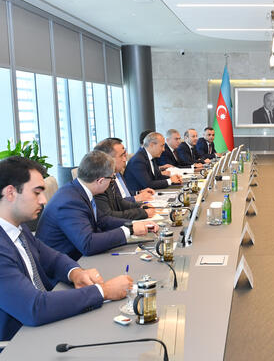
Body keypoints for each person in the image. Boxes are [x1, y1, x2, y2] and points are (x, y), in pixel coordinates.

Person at [0, 156, 132, 341]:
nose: (43, 200)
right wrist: (103, 291)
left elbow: (53, 258)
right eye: (37, 193)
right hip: (19, 341)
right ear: (10, 193)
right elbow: (34, 308)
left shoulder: (18, 228)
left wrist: (75, 273)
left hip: (42, 325)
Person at [36, 151, 157, 260]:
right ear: (101, 181)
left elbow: (102, 220)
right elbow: (88, 244)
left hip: (79, 256)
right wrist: (129, 230)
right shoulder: (70, 202)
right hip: (67, 265)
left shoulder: (79, 190)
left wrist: (134, 224)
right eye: (112, 178)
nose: (112, 182)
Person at [93, 138, 156, 220]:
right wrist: (141, 212)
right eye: (121, 156)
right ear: (108, 159)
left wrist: (140, 204)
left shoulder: (116, 173)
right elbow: (108, 216)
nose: (125, 160)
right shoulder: (101, 181)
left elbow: (119, 200)